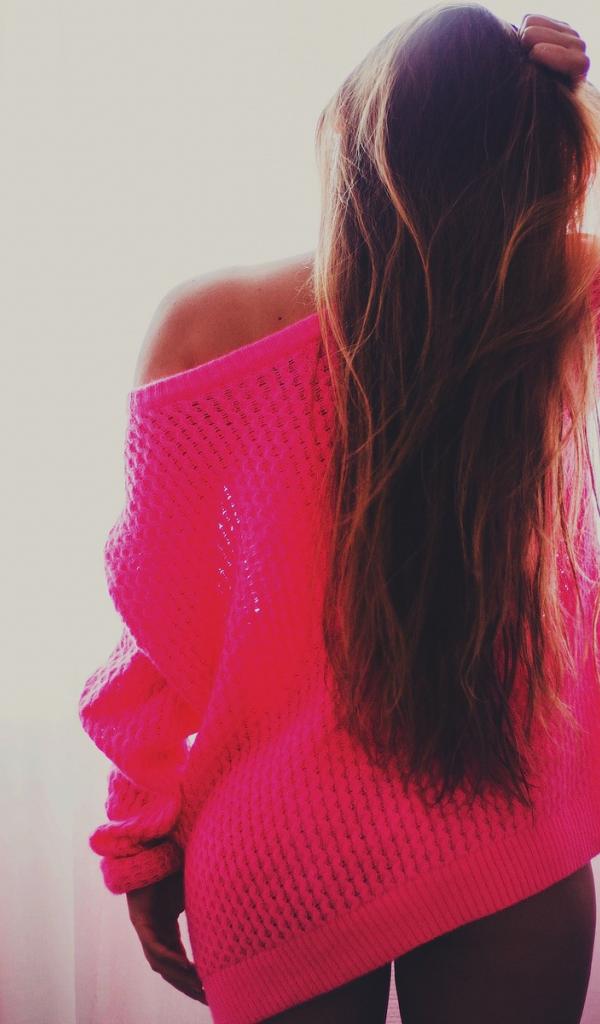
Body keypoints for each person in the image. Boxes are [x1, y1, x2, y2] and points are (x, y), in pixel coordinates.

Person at [80, 9, 600, 1024]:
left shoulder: (205, 322)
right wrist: (571, 104)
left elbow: (157, 625)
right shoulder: (549, 298)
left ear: (351, 143)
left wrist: (140, 839)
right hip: (503, 806)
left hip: (275, 854)